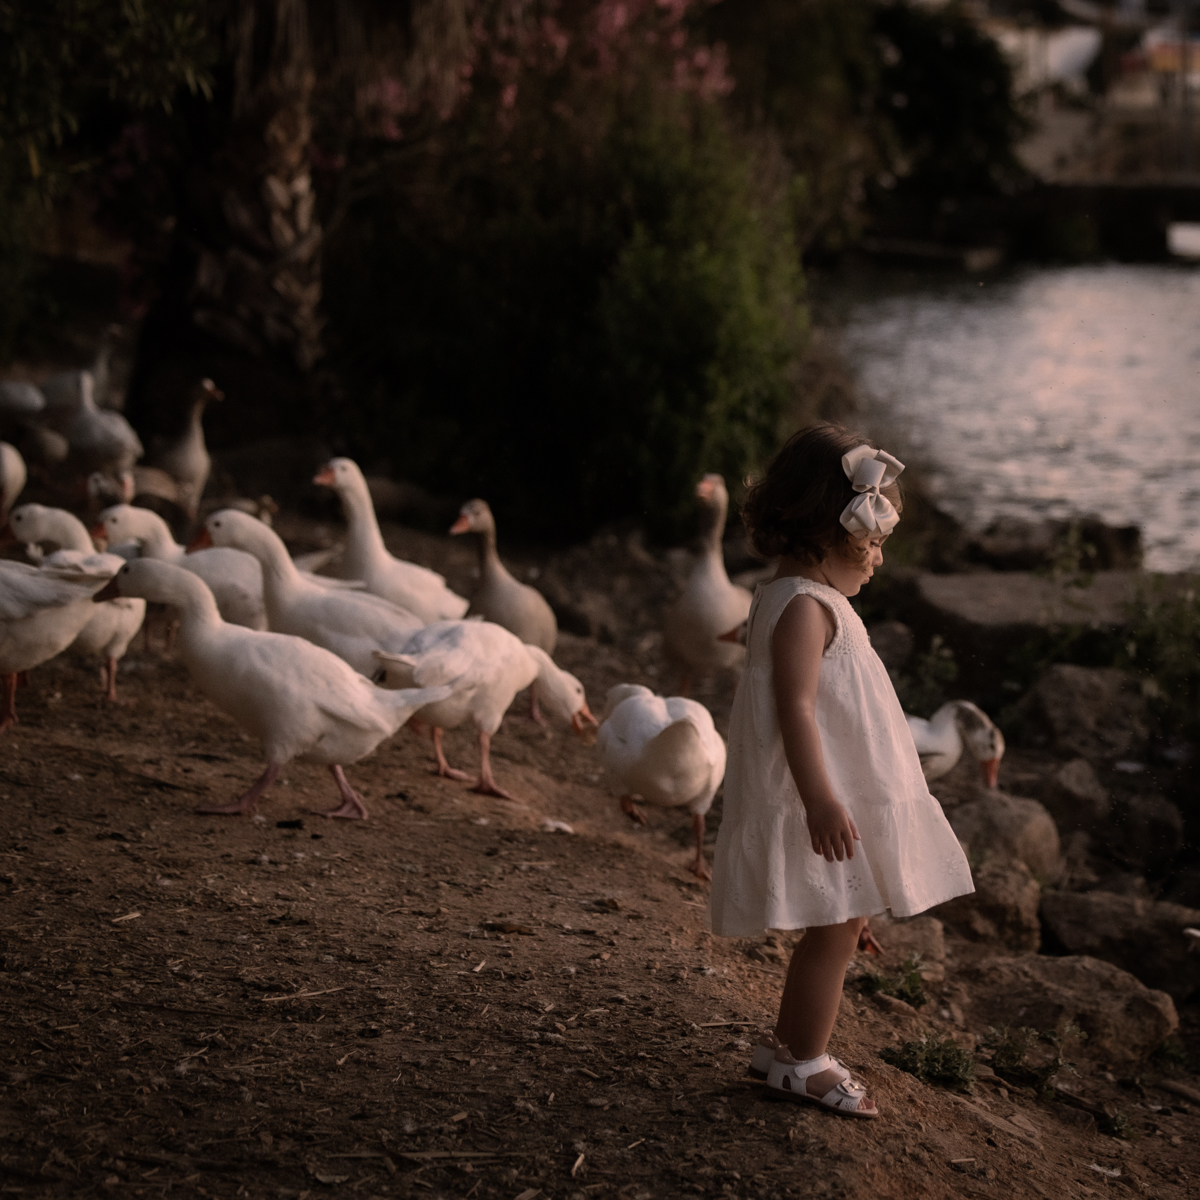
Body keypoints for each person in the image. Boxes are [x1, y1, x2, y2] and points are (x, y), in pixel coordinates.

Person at [709, 423, 974, 1119]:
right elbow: (794, 710)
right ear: (829, 533)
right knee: (836, 926)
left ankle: (785, 1048)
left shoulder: (793, 597)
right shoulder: (803, 607)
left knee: (838, 920)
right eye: (875, 541)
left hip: (833, 788)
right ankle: (803, 1062)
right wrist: (822, 800)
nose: (879, 559)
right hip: (820, 797)